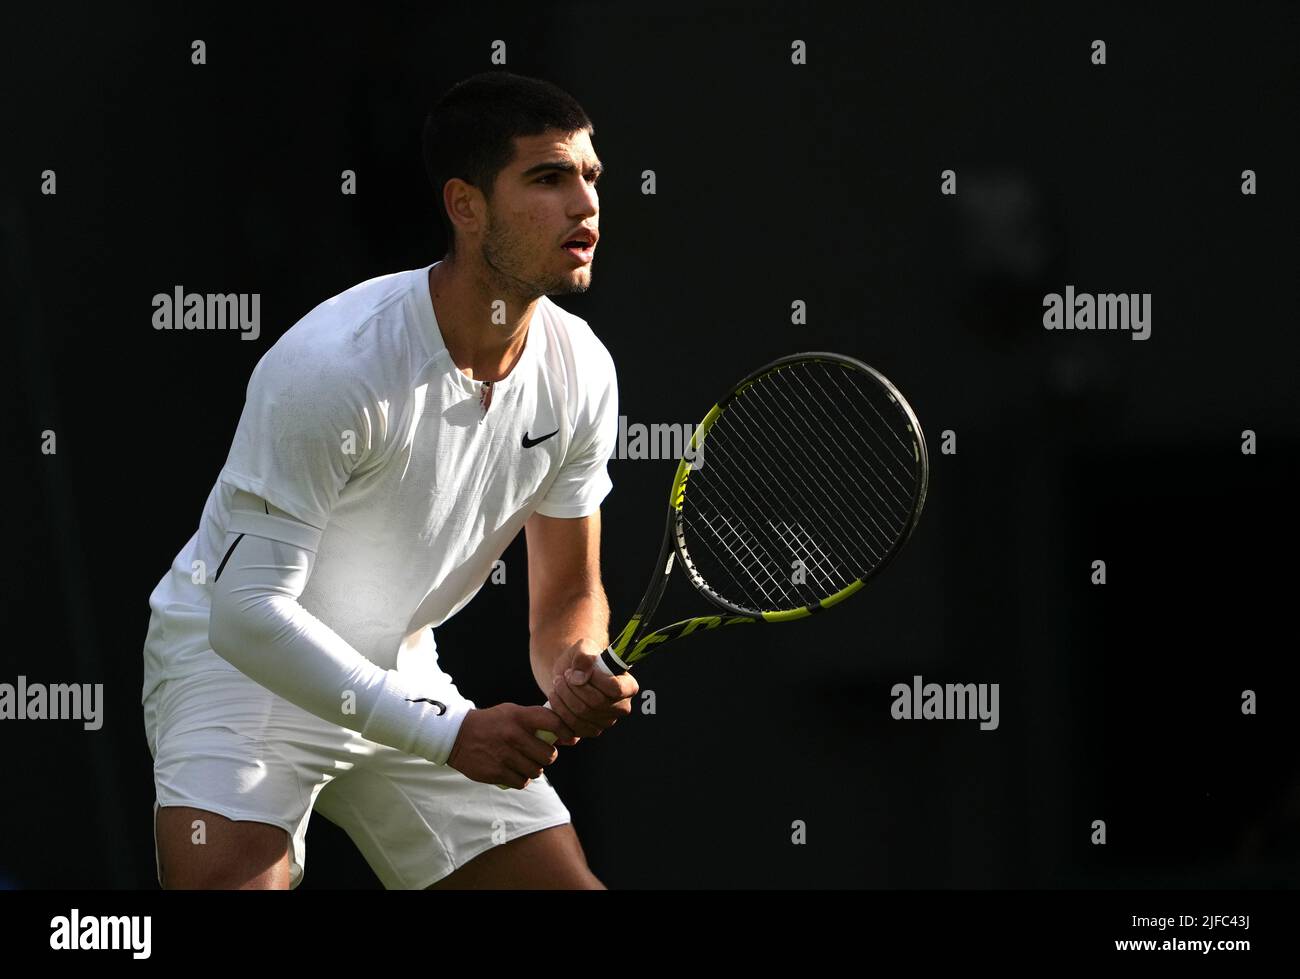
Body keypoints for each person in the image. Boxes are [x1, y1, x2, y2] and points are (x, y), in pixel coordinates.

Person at [140, 71, 635, 889]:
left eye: (590, 177)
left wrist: (576, 668)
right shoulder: (335, 364)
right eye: (547, 178)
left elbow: (564, 604)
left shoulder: (582, 369)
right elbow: (247, 615)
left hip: (396, 665)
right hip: (239, 663)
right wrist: (449, 734)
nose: (583, 204)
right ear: (465, 205)